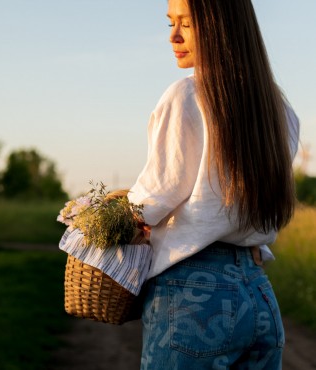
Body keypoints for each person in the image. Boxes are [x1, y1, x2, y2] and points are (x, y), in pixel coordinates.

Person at [127, 0, 300, 369]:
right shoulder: (279, 110)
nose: (173, 36)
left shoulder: (185, 96)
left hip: (193, 296)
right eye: (171, 23)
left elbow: (151, 202)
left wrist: (108, 217)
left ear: (221, 27)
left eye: (186, 24)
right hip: (258, 293)